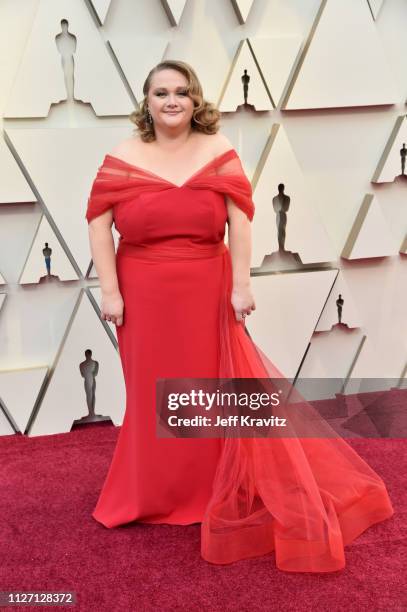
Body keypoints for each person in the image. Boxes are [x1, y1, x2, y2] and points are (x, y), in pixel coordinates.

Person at [85, 60, 394, 573]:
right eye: (160, 92)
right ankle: (151, 493)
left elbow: (240, 222)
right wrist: (111, 293)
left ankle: (214, 488)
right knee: (151, 391)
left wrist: (241, 285)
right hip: (142, 292)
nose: (171, 101)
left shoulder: (218, 152)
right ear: (146, 101)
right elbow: (99, 228)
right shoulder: (120, 158)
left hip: (207, 286)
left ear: (195, 99)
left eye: (181, 92)